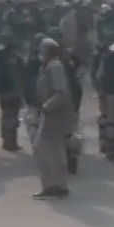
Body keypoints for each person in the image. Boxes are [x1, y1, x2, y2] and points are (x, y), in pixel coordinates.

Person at [33, 38, 76, 200]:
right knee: (52, 152)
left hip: (54, 115)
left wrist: (46, 106)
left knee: (46, 150)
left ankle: (54, 186)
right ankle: (57, 186)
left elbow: (61, 93)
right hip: (52, 114)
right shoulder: (48, 66)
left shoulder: (55, 67)